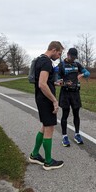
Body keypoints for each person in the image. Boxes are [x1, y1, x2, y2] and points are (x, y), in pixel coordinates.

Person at [29, 41, 64, 170]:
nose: (59, 56)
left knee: (44, 126)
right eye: (59, 53)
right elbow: (42, 84)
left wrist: (55, 83)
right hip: (46, 100)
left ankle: (35, 155)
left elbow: (44, 81)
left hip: (40, 98)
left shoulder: (39, 59)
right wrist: (54, 101)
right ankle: (48, 162)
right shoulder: (46, 62)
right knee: (49, 128)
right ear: (54, 49)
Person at [58, 48, 90, 147]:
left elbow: (88, 73)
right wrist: (64, 83)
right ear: (67, 55)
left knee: (76, 114)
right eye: (72, 57)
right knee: (65, 115)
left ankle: (77, 134)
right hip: (65, 93)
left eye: (75, 57)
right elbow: (57, 80)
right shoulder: (61, 65)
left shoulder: (77, 65)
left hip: (75, 93)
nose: (73, 59)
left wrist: (81, 75)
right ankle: (64, 136)